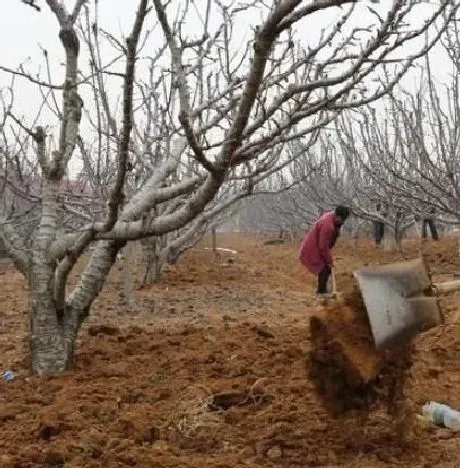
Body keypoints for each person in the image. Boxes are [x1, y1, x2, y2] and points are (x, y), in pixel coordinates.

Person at [299, 205, 351, 297]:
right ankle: (321, 293)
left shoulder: (331, 216)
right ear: (338, 217)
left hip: (315, 246)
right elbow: (323, 246)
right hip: (312, 249)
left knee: (326, 268)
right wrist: (329, 260)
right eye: (343, 220)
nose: (343, 222)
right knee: (325, 268)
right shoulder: (327, 226)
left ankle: (325, 291)